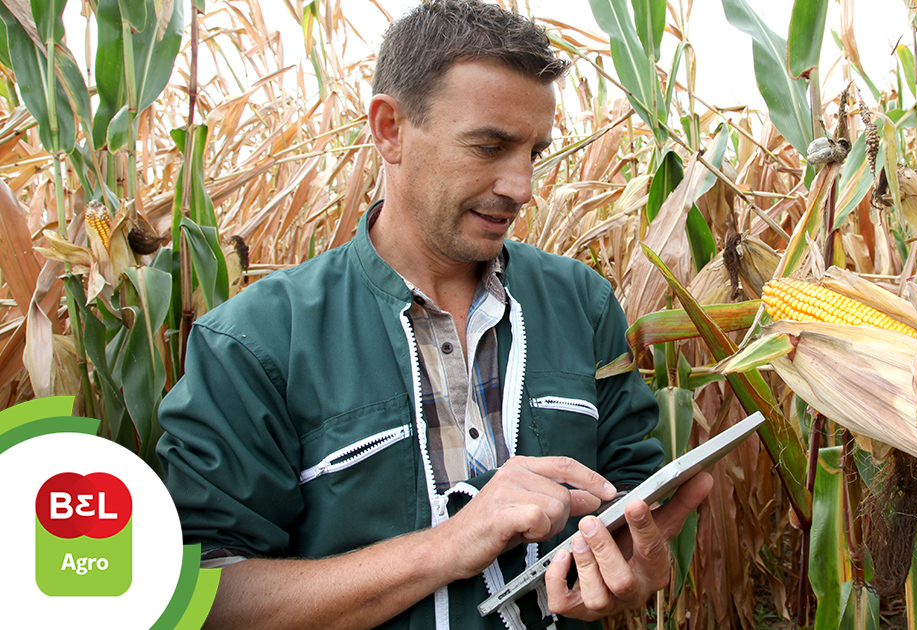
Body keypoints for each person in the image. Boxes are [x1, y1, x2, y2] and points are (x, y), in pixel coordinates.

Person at [154, 1, 713, 629]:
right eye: (490, 146)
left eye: (534, 151)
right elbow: (200, 596)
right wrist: (448, 546)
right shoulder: (255, 340)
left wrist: (629, 570)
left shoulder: (581, 302)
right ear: (390, 129)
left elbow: (628, 487)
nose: (522, 186)